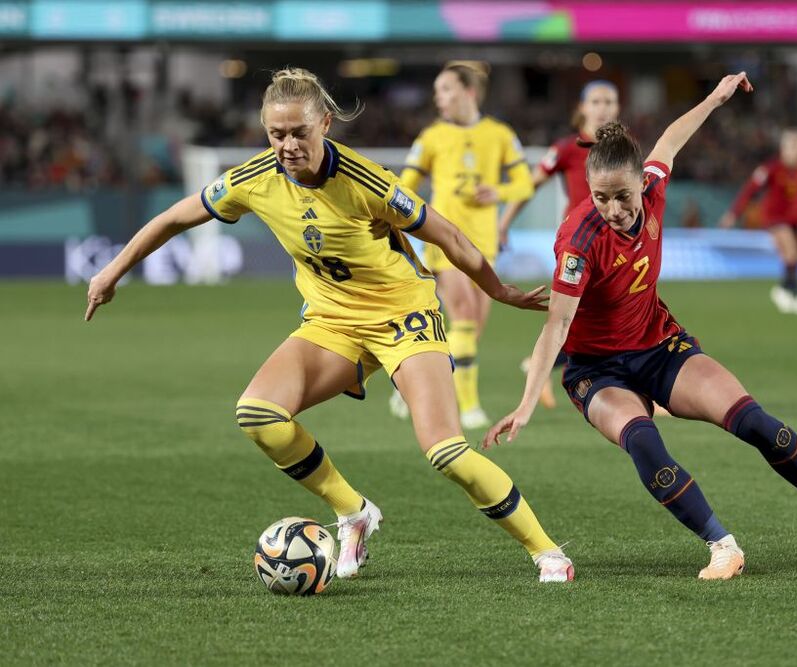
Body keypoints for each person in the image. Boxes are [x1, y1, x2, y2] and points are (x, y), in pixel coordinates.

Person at [85, 67, 573, 583]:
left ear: (325, 124)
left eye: (299, 132)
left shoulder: (366, 182)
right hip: (331, 323)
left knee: (445, 452)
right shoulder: (253, 180)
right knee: (258, 415)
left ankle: (548, 553)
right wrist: (111, 271)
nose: (288, 145)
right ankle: (354, 511)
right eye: (277, 134)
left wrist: (499, 290)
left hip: (403, 318)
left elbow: (449, 235)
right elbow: (174, 218)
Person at [485, 73, 797, 581]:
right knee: (643, 440)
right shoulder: (578, 241)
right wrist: (525, 403)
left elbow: (671, 138)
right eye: (600, 197)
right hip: (596, 370)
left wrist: (715, 99)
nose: (613, 210)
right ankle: (722, 546)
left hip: (659, 346)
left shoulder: (653, 186)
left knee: (756, 422)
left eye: (622, 196)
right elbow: (555, 327)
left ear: (641, 183)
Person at [388, 61, 534, 429]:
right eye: (437, 91)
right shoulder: (431, 137)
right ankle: (467, 406)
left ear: (469, 91)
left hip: (484, 242)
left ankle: (410, 379)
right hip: (444, 240)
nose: (439, 98)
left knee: (470, 331)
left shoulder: (499, 134)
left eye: (446, 89)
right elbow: (406, 185)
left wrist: (498, 191)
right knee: (465, 317)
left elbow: (524, 183)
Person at [497, 80, 620, 410]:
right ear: (582, 108)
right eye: (596, 101)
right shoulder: (567, 148)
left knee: (601, 312)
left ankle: (547, 365)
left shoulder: (624, 148)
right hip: (579, 242)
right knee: (590, 312)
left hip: (616, 242)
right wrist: (504, 223)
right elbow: (529, 185)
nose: (603, 107)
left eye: (609, 101)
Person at [720, 128, 797, 315]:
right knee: (790, 252)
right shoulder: (771, 169)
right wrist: (733, 213)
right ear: (783, 148)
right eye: (792, 146)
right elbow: (749, 190)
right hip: (776, 218)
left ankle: (788, 288)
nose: (796, 151)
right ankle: (791, 291)